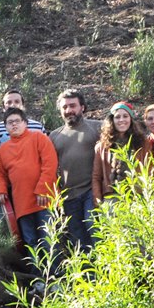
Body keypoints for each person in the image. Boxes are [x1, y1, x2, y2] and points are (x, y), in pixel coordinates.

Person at [0, 107, 59, 272]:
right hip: (21, 204)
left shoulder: (38, 137)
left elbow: (50, 164)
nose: (14, 125)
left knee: (48, 240)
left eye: (17, 121)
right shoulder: (3, 149)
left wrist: (43, 189)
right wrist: (0, 190)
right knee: (31, 242)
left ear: (25, 123)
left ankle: (56, 277)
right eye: (10, 122)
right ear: (6, 127)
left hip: (43, 200)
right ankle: (39, 278)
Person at [49, 89, 102, 251]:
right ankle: (89, 267)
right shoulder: (54, 136)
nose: (68, 110)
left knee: (94, 228)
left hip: (91, 190)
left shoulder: (97, 128)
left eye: (73, 106)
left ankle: (106, 264)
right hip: (69, 196)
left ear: (82, 107)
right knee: (78, 239)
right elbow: (49, 166)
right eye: (64, 107)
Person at [92, 101, 151, 205]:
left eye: (125, 116)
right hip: (112, 196)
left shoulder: (143, 143)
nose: (121, 120)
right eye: (117, 117)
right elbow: (97, 176)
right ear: (112, 120)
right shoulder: (102, 146)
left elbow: (150, 170)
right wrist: (98, 201)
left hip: (137, 195)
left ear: (131, 119)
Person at [0, 89, 47, 173]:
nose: (13, 105)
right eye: (9, 102)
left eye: (17, 101)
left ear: (23, 105)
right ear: (3, 107)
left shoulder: (37, 127)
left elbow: (46, 153)